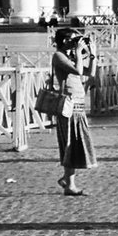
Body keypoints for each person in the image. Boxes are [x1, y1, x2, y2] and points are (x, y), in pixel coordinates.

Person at [50, 28, 97, 196]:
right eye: (72, 39)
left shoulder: (70, 57)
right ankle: (69, 184)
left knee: (77, 143)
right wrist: (78, 51)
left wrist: (92, 54)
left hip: (78, 106)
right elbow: (77, 71)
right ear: (63, 41)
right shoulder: (59, 56)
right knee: (69, 143)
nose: (75, 41)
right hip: (68, 106)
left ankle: (66, 179)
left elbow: (89, 74)